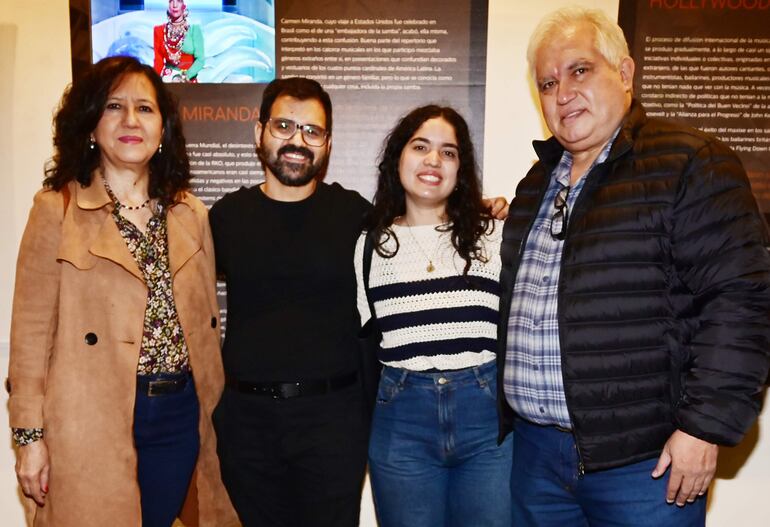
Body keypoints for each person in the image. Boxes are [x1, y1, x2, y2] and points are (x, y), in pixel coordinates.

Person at [497, 6, 770, 527]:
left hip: (643, 465)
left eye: (580, 70)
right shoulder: (536, 185)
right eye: (548, 82)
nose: (563, 92)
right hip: (535, 459)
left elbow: (741, 301)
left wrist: (705, 428)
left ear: (623, 74)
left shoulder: (690, 162)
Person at [209, 78, 508, 526]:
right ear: (259, 133)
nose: (297, 140)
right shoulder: (223, 219)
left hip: (333, 423)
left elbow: (423, 218)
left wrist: (478, 207)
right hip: (247, 422)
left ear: (327, 144)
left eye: (312, 131)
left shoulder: (356, 218)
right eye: (285, 125)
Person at [8, 56, 236, 527]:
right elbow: (30, 337)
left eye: (145, 109)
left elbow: (206, 325)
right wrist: (29, 438)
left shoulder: (188, 212)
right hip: (90, 414)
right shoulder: (57, 209)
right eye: (114, 106)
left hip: (178, 413)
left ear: (163, 130)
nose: (131, 120)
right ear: (91, 124)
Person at [355, 105, 512, 527]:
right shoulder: (370, 247)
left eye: (448, 152)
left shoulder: (494, 235)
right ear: (398, 158)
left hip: (485, 424)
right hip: (401, 421)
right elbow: (365, 340)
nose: (433, 161)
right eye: (420, 146)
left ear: (461, 168)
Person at [154, 0, 204, 83]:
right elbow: (158, 62)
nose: (174, 5)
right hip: (168, 80)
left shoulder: (194, 29)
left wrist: (185, 77)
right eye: (171, 1)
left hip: (189, 80)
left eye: (179, 1)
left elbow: (200, 60)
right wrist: (154, 82)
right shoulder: (159, 30)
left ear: (184, 5)